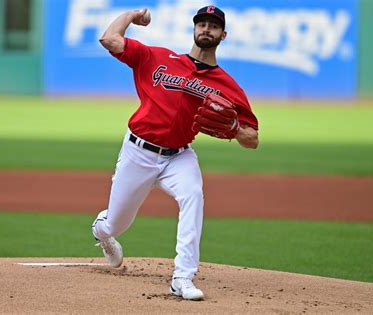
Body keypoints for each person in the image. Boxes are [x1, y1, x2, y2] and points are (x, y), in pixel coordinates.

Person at [91, 5, 259, 301]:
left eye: (214, 25)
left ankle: (182, 277)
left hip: (179, 156)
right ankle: (101, 232)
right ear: (194, 29)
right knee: (116, 224)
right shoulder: (157, 57)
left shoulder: (227, 85)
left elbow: (252, 139)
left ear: (223, 35)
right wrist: (132, 15)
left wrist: (233, 127)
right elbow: (109, 39)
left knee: (193, 194)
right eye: (202, 23)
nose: (207, 28)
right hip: (138, 151)